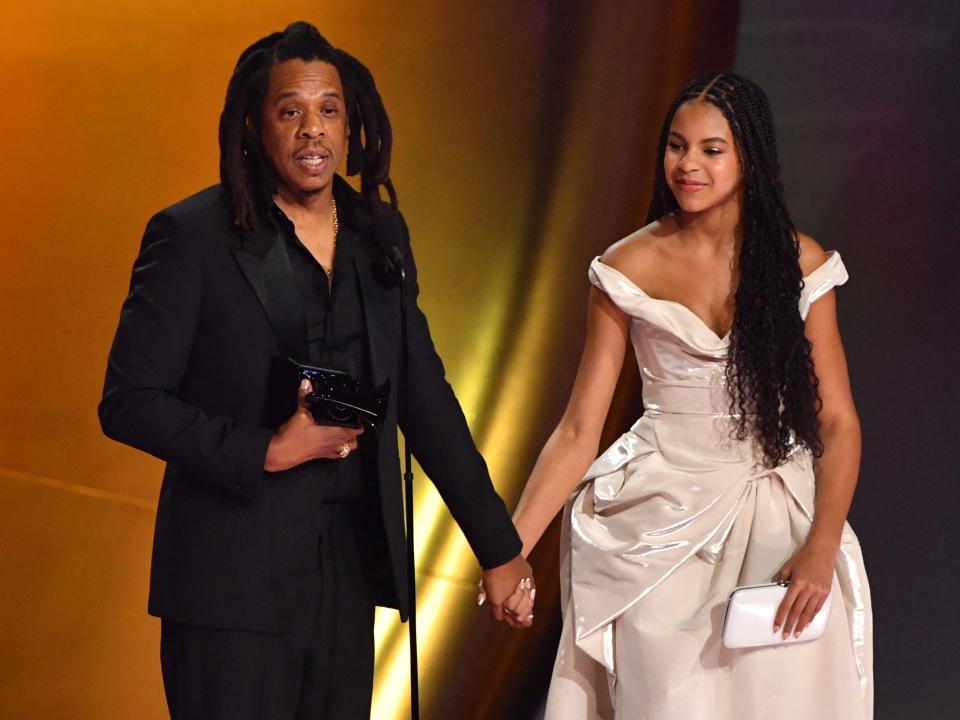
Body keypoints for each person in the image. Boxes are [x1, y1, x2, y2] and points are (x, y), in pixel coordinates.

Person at [98, 21, 534, 720]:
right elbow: (128, 401)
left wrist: (498, 548)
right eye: (290, 110)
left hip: (344, 568)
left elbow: (424, 398)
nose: (313, 130)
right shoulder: (193, 237)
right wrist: (266, 450)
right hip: (230, 581)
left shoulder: (377, 235)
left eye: (329, 109)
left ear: (351, 121)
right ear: (253, 122)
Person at [509, 73, 873, 719]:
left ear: (749, 157)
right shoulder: (626, 266)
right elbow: (577, 431)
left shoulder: (800, 263)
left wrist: (819, 547)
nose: (687, 165)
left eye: (711, 149)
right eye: (676, 146)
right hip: (654, 530)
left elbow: (838, 422)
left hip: (778, 522)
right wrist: (508, 550)